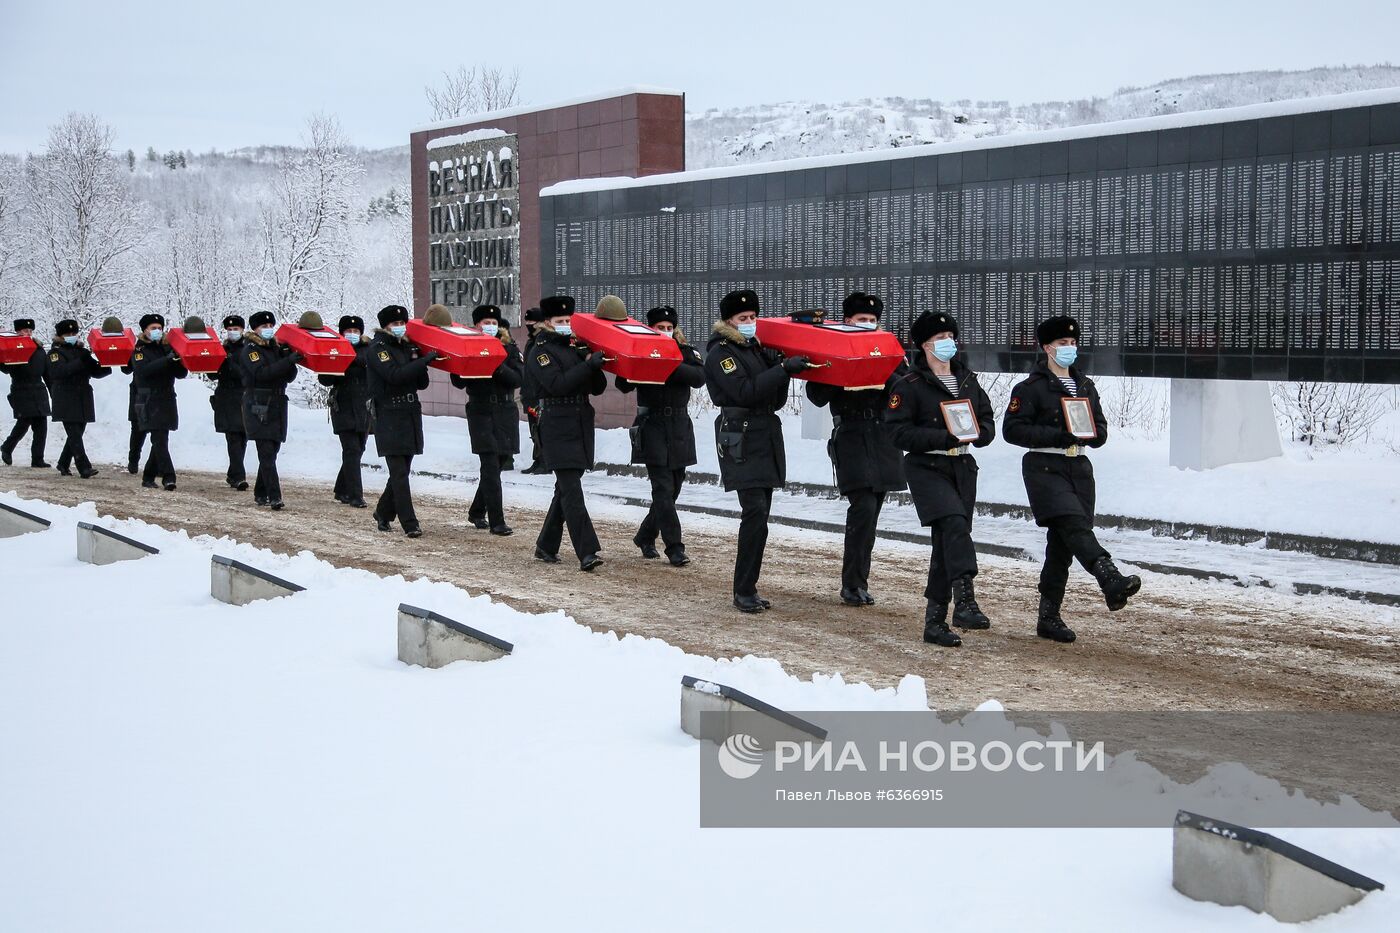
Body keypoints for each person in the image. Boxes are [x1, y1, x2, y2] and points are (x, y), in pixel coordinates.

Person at [1003, 315, 1141, 643]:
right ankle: (1109, 578)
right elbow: (1012, 429)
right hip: (1045, 468)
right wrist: (1058, 434)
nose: (1070, 348)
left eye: (1073, 343)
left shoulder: (1085, 386)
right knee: (1074, 527)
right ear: (1047, 347)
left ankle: (1048, 616)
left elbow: (1102, 429)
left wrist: (1091, 435)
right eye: (1063, 343)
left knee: (1062, 546)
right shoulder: (1030, 388)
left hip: (1079, 469)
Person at [886, 311, 996, 648]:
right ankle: (965, 600)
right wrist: (941, 437)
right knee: (953, 524)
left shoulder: (967, 380)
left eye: (951, 336)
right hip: (927, 468)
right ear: (925, 344)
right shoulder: (909, 385)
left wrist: (979, 434)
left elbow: (987, 419)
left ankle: (934, 621)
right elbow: (898, 432)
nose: (948, 342)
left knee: (946, 542)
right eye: (940, 337)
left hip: (962, 467)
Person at [703, 289, 810, 613]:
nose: (749, 323)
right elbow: (744, 391)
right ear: (728, 321)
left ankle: (748, 586)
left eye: (752, 317)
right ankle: (743, 589)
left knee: (761, 514)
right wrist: (781, 370)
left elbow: (772, 399)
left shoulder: (755, 349)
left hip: (763, 434)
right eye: (742, 319)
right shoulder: (721, 353)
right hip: (741, 437)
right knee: (754, 513)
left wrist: (780, 368)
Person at [805, 293, 908, 607]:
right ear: (847, 321)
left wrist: (883, 370)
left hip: (883, 437)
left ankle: (860, 580)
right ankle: (852, 584)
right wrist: (842, 368)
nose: (867, 325)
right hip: (851, 434)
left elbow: (907, 385)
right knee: (862, 507)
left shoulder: (890, 350)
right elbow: (816, 394)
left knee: (872, 512)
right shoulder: (834, 348)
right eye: (860, 320)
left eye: (871, 320)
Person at [615, 305, 705, 567]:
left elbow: (699, 376)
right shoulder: (641, 351)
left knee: (674, 488)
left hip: (679, 425)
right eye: (660, 328)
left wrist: (669, 363)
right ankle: (675, 547)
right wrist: (643, 360)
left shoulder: (685, 352)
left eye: (669, 328)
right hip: (652, 424)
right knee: (663, 489)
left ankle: (645, 535)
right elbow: (623, 383)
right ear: (649, 329)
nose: (665, 332)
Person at [526, 294, 607, 571]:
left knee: (565, 487)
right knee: (572, 489)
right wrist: (586, 365)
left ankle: (546, 545)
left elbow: (596, 387)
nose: (565, 324)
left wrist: (593, 362)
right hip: (557, 423)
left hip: (580, 421)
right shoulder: (540, 351)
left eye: (568, 320)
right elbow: (557, 384)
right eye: (560, 320)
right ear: (547, 321)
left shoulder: (574, 347)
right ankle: (587, 551)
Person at [365, 304, 439, 538]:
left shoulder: (407, 346)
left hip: (409, 412)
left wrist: (419, 359)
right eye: (395, 324)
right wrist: (421, 362)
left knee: (403, 470)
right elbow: (394, 376)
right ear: (385, 326)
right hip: (389, 413)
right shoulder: (378, 349)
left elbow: (421, 384)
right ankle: (410, 522)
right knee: (398, 471)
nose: (399, 327)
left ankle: (383, 512)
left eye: (402, 323)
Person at [450, 304, 523, 536]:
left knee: (499, 463)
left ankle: (477, 511)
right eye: (485, 323)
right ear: (476, 325)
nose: (490, 327)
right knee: (490, 464)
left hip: (505, 410)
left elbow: (518, 378)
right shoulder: (467, 346)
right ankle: (497, 521)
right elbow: (459, 381)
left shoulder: (509, 347)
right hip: (481, 411)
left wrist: (496, 364)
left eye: (493, 323)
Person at [239, 311, 303, 509]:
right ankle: (275, 496)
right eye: (263, 327)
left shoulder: (276, 348)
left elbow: (289, 375)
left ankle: (260, 492)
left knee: (272, 450)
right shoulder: (250, 350)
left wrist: (288, 358)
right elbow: (262, 373)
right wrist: (286, 361)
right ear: (255, 329)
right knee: (265, 451)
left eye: (270, 326)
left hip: (277, 402)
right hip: (258, 402)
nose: (267, 329)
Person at [45, 318, 110, 477]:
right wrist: (81, 361)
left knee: (77, 433)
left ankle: (63, 463)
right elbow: (59, 372)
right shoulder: (55, 353)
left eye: (74, 333)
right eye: (68, 333)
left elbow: (96, 372)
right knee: (74, 433)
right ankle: (84, 467)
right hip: (65, 397)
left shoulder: (83, 352)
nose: (72, 335)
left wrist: (107, 361)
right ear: (61, 335)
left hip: (83, 396)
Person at [128, 313, 186, 490]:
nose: (157, 331)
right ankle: (169, 476)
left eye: (160, 328)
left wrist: (177, 359)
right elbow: (143, 370)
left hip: (166, 397)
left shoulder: (167, 348)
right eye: (153, 328)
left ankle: (148, 476)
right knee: (159, 439)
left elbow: (181, 374)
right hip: (148, 399)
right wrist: (166, 360)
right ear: (144, 330)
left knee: (161, 439)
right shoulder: (139, 350)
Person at [319, 314, 371, 508]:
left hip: (363, 408)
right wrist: (334, 361)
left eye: (355, 331)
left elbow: (368, 363)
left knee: (358, 450)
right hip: (343, 407)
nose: (352, 334)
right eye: (348, 331)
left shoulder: (368, 349)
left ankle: (341, 489)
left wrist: (351, 358)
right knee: (352, 450)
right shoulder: (334, 350)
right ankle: (356, 495)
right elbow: (324, 379)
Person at [1, 317, 50, 468]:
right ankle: (7, 447)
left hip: (39, 390)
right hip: (21, 390)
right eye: (24, 331)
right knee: (24, 422)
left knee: (41, 425)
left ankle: (37, 458)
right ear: (17, 332)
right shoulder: (11, 348)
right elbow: (5, 368)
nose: (28, 333)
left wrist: (53, 391)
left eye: (30, 331)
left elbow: (46, 374)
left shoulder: (39, 349)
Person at [208, 315, 249, 490]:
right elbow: (212, 375)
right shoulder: (221, 348)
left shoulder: (248, 348)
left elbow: (246, 374)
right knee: (232, 437)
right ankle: (239, 476)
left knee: (242, 437)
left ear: (242, 330)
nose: (233, 332)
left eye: (236, 329)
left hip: (243, 396)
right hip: (226, 398)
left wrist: (231, 363)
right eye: (230, 330)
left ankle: (233, 474)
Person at [518, 305, 547, 474]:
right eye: (527, 320)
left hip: (538, 394)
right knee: (534, 429)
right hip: (529, 392)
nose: (529, 324)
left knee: (541, 428)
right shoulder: (531, 341)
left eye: (533, 321)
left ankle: (545, 461)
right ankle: (537, 459)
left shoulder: (541, 342)